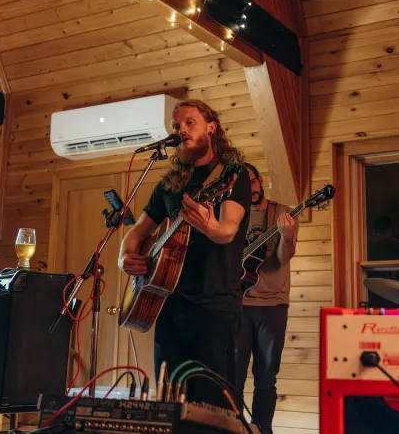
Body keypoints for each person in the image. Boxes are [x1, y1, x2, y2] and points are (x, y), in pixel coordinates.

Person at [118, 99, 251, 408]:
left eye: (190, 122)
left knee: (212, 404)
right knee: (169, 400)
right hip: (166, 301)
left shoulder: (232, 175)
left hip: (213, 304)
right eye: (177, 126)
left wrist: (208, 225)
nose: (181, 130)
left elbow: (228, 230)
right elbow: (138, 230)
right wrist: (124, 256)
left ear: (211, 127)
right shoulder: (169, 184)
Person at [235, 163, 298, 434]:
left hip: (272, 304)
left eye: (251, 181)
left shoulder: (282, 213)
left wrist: (287, 236)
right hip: (238, 302)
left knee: (266, 376)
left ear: (259, 180)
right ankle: (233, 428)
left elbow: (283, 258)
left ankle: (263, 429)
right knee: (233, 376)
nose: (250, 188)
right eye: (242, 186)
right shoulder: (233, 215)